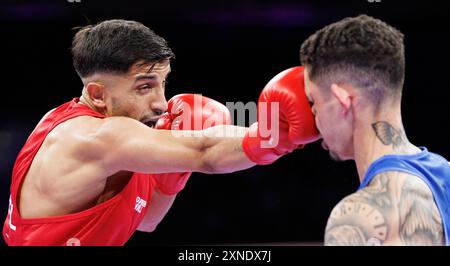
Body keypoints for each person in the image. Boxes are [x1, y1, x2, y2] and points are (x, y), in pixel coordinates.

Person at [2, 19, 320, 245]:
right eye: (144, 87)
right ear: (97, 94)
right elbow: (205, 152)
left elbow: (147, 220)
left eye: (162, 83)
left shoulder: (91, 127)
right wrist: (279, 134)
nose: (161, 104)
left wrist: (173, 172)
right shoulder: (95, 137)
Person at [299, 14, 450, 245]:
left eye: (313, 102)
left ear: (342, 101)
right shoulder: (446, 173)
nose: (312, 116)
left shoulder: (359, 218)